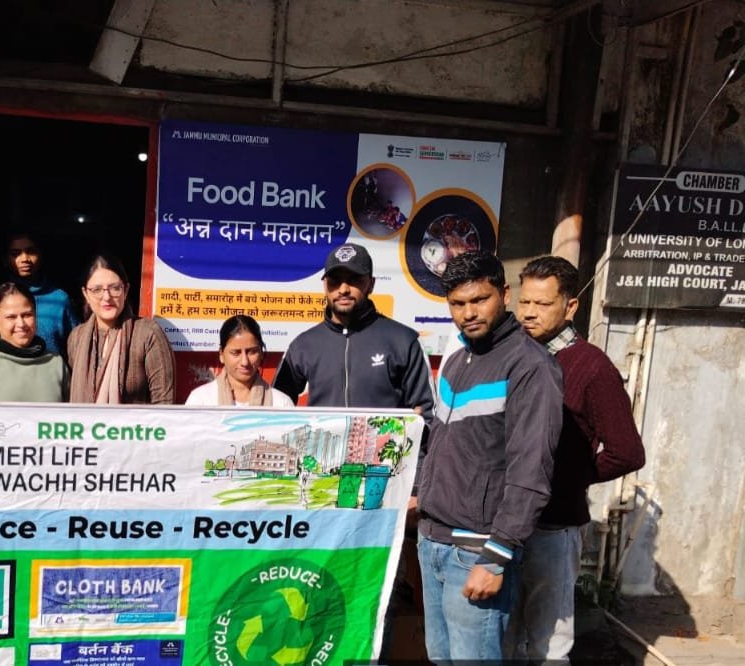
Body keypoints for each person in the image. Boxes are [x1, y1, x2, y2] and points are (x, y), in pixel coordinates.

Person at [414, 251, 563, 661]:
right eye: (457, 304)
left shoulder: (530, 366)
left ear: (505, 294)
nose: (468, 314)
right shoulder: (457, 358)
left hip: (477, 551)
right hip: (433, 541)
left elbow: (531, 471)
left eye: (479, 299)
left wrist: (497, 556)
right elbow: (444, 444)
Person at [507, 255, 646, 659]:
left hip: (553, 527)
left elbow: (626, 452)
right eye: (524, 302)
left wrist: (568, 477)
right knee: (502, 640)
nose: (529, 312)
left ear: (570, 307)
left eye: (542, 304)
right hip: (505, 524)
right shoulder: (513, 357)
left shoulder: (592, 367)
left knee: (549, 645)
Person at [273, 243, 433, 416]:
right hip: (323, 435)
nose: (343, 289)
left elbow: (427, 412)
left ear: (371, 284)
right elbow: (275, 408)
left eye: (354, 280)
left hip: (385, 435)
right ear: (325, 285)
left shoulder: (404, 341)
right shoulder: (303, 345)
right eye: (335, 281)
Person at [66, 254, 175, 404]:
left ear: (126, 290)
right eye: (97, 290)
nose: (107, 297)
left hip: (138, 421)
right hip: (85, 421)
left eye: (115, 288)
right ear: (86, 294)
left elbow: (164, 402)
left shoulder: (148, 334)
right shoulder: (76, 337)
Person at [186, 315, 294, 407]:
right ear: (221, 355)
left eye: (252, 352)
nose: (244, 362)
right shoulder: (201, 400)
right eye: (235, 353)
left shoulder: (281, 404)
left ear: (261, 353)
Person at [3, 232, 79, 356]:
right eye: (15, 253)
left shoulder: (59, 299)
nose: (24, 259)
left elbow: (78, 348)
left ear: (41, 255)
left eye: (31, 252)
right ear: (5, 260)